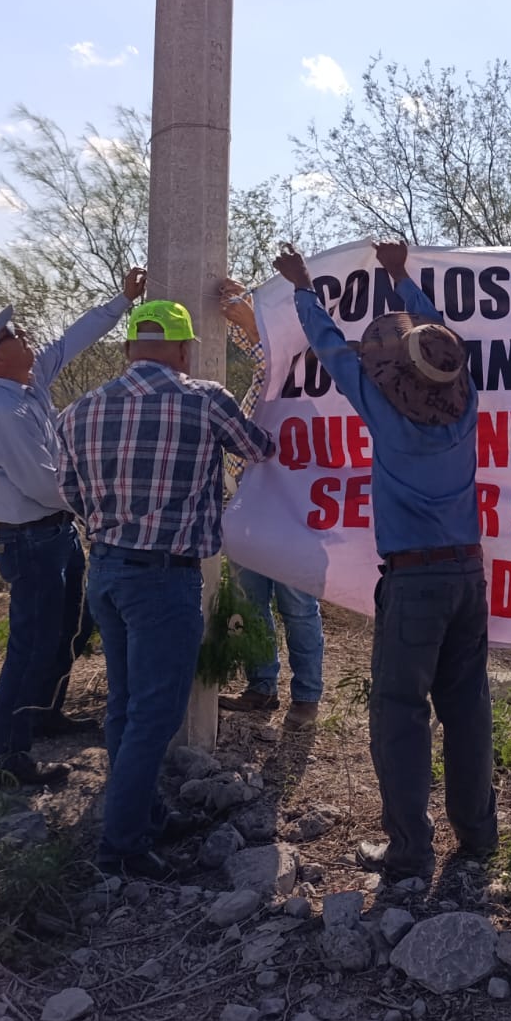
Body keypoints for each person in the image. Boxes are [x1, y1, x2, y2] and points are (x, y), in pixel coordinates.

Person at [273, 240, 496, 883]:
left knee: (399, 713)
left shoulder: (387, 413)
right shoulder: (466, 402)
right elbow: (441, 341)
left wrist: (303, 288)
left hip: (415, 580)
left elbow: (335, 353)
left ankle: (409, 852)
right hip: (467, 576)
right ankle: (478, 839)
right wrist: (401, 278)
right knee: (468, 707)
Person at [58, 299, 276, 879]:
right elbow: (260, 450)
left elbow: (71, 494)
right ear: (184, 350)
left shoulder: (79, 410)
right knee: (154, 715)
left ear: (129, 348)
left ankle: (143, 815)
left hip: (105, 569)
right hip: (163, 577)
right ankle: (122, 845)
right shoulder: (202, 399)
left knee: (126, 705)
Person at [0, 267, 148, 787]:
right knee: (31, 644)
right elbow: (42, 485)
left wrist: (122, 302)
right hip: (31, 539)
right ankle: (4, 760)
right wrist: (103, 510)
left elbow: (69, 340)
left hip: (52, 533)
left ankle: (44, 714)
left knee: (68, 629)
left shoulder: (24, 384)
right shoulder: (1, 411)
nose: (23, 335)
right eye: (10, 335)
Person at [215, 278, 325, 730]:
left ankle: (306, 697)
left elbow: (273, 357)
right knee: (250, 600)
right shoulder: (274, 367)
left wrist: (249, 318)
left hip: (298, 508)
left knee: (297, 605)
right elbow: (260, 352)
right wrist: (243, 311)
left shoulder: (321, 374)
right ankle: (261, 687)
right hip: (250, 499)